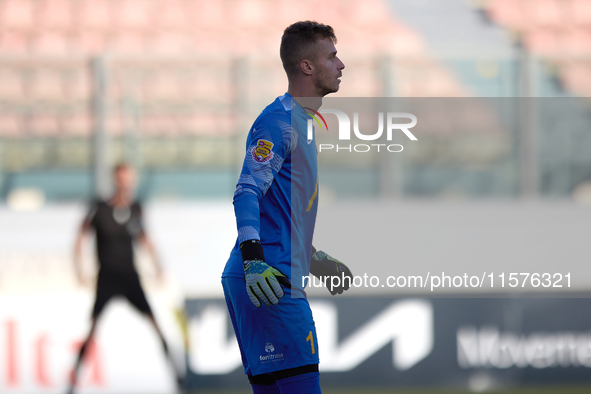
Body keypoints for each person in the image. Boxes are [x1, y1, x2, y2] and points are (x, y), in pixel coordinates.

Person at [221, 21, 353, 394]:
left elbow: (279, 214)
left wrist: (314, 258)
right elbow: (247, 190)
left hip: (265, 273)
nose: (340, 64)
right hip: (269, 280)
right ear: (307, 67)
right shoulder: (279, 123)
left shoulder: (303, 123)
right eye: (332, 56)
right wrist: (253, 260)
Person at [68, 163, 177, 394]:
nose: (125, 184)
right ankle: (72, 383)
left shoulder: (136, 209)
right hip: (106, 278)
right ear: (115, 180)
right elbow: (81, 236)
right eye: (121, 179)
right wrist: (79, 268)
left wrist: (159, 267)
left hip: (130, 277)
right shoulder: (99, 208)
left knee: (156, 324)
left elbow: (145, 238)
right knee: (92, 328)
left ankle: (179, 379)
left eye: (129, 179)